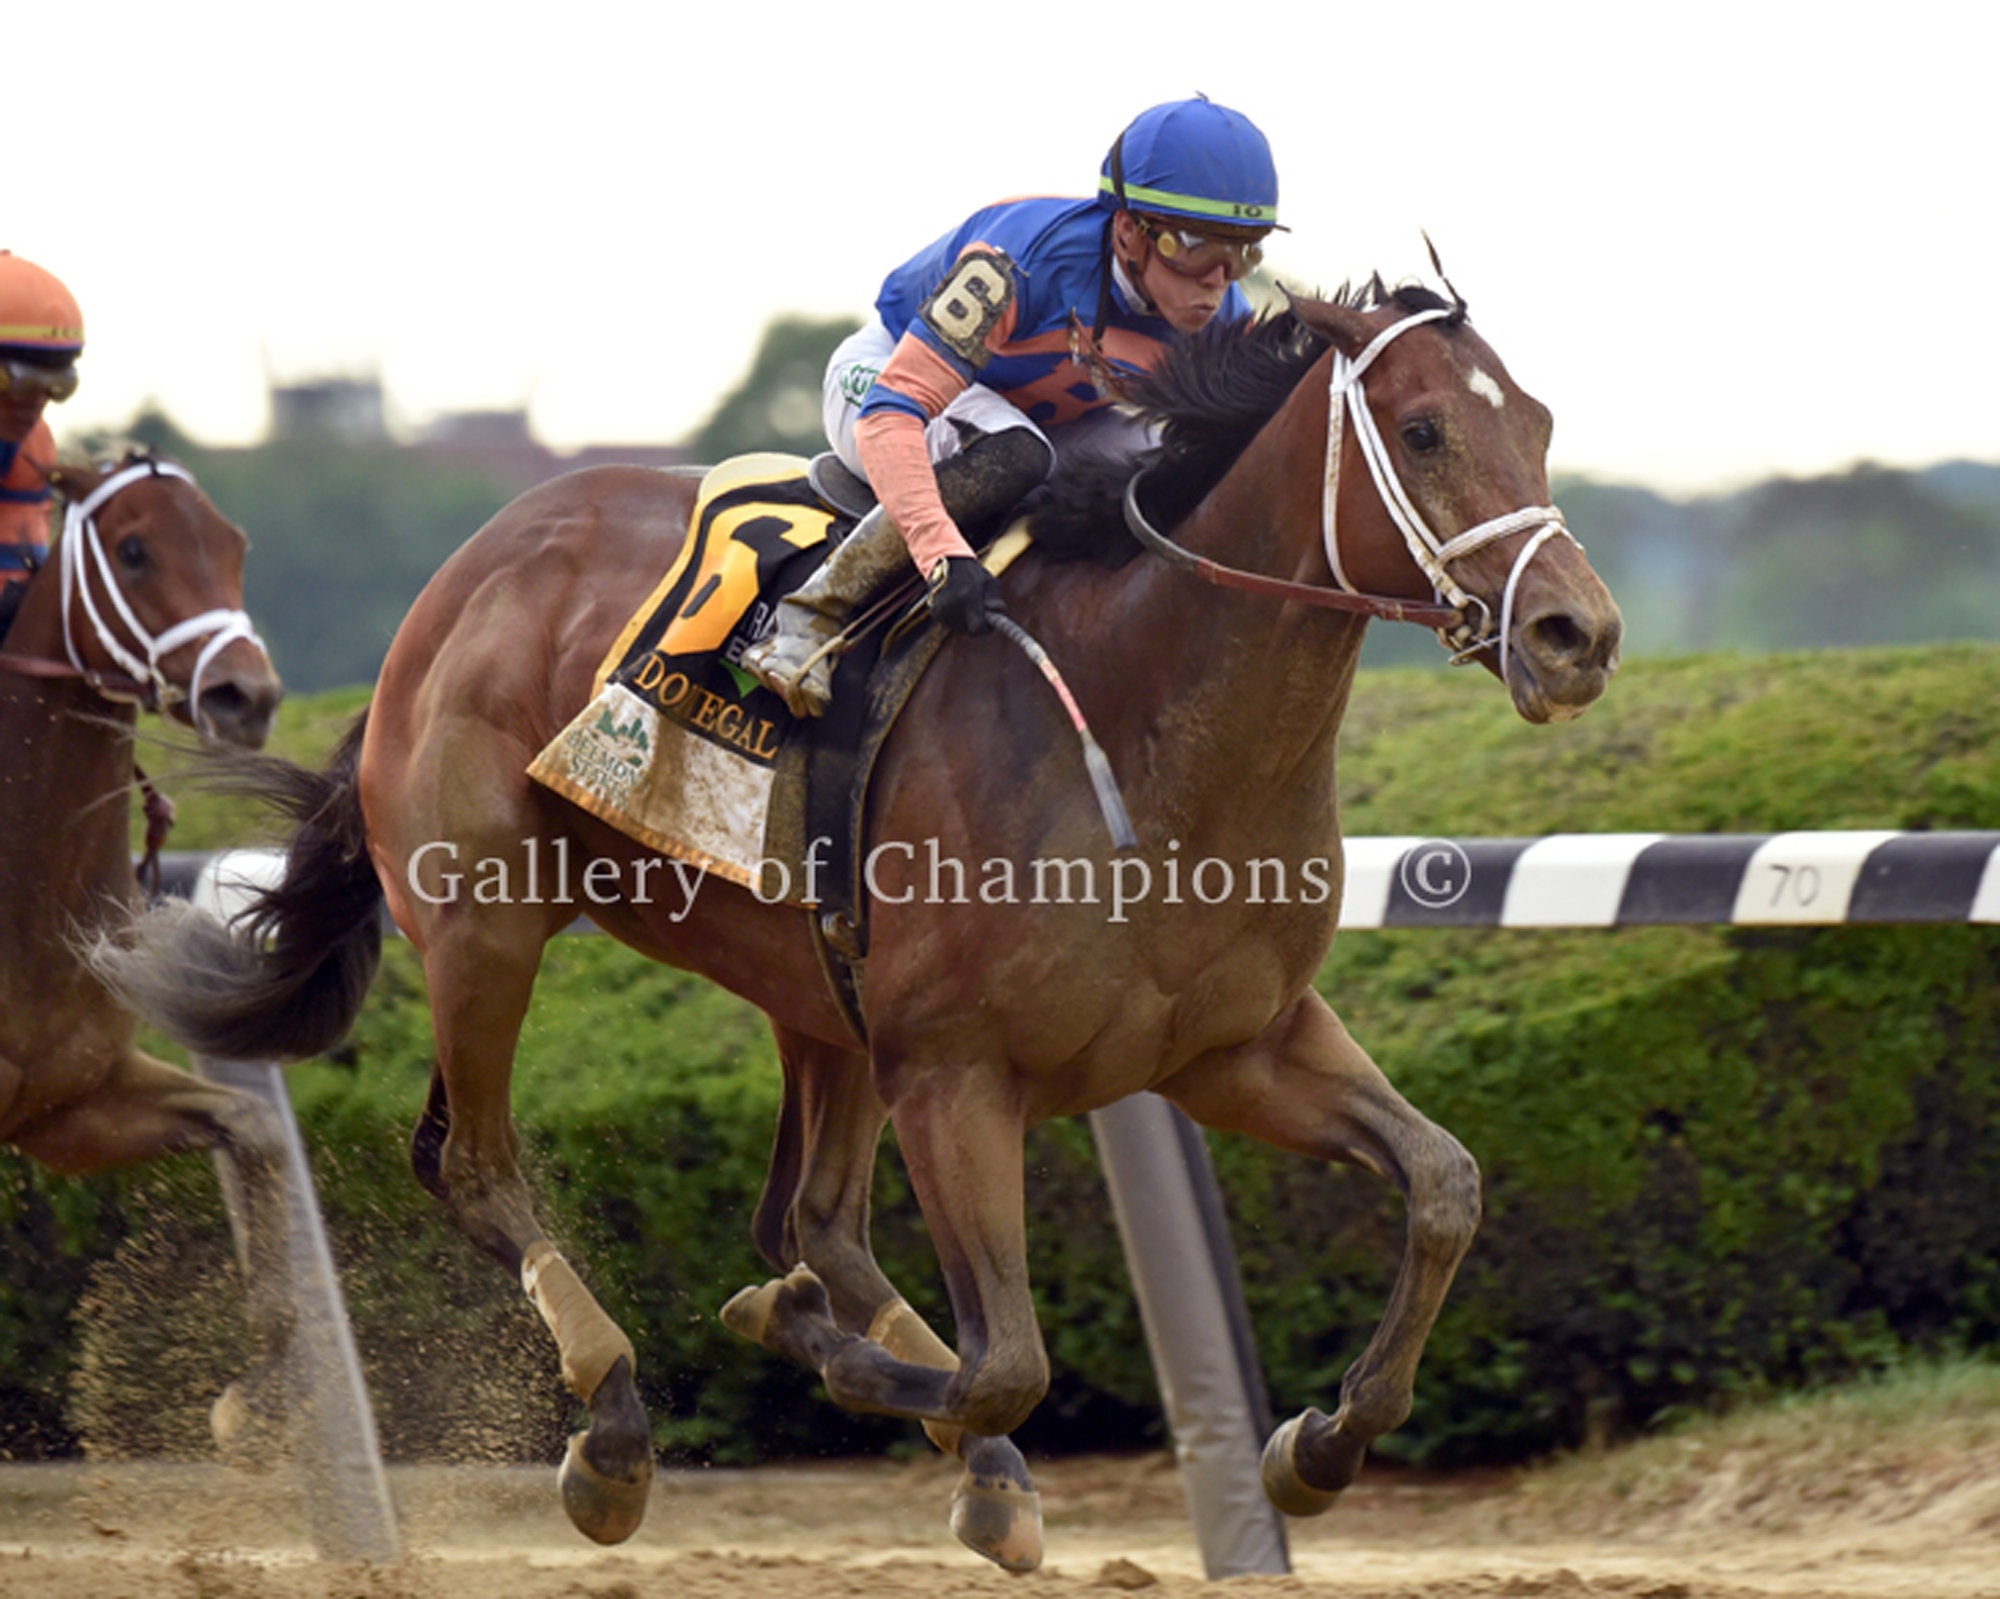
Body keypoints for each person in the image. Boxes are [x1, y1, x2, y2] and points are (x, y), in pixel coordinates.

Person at [744, 95, 1279, 716]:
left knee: (1171, 473)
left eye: (1244, 250)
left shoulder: (1223, 324)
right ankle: (806, 619)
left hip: (1044, 418)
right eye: (1194, 245)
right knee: (1014, 452)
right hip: (889, 379)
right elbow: (894, 412)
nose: (1219, 278)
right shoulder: (1016, 265)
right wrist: (941, 555)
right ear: (1130, 229)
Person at [0, 251, 85, 646]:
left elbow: (19, 571)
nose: (35, 402)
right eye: (17, 382)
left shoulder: (34, 444)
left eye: (56, 387)